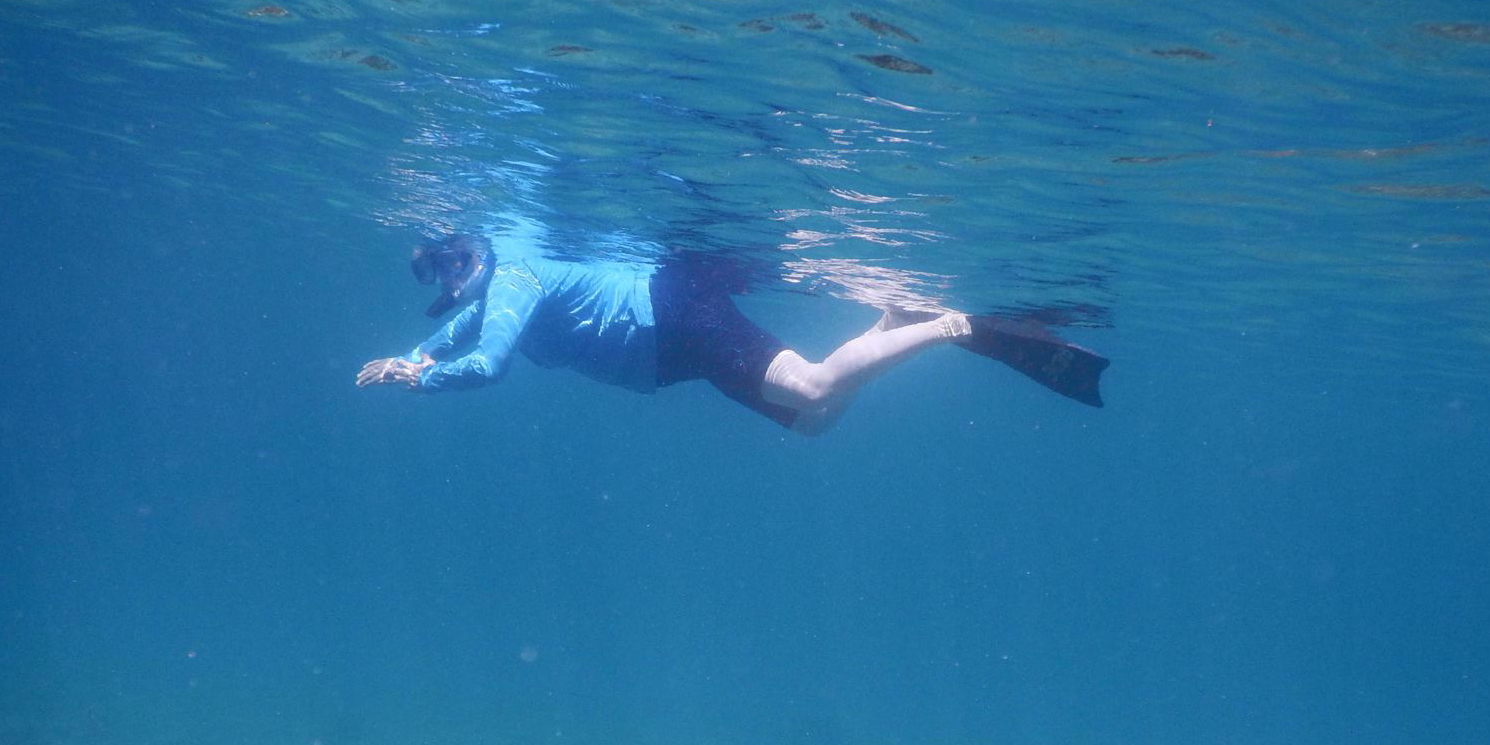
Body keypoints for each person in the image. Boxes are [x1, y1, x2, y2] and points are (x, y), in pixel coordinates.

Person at [356, 233, 1103, 433]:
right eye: (447, 274)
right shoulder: (490, 295)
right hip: (668, 351)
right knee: (812, 426)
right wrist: (414, 354)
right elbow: (464, 328)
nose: (459, 280)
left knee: (813, 387)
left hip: (672, 315)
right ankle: (890, 325)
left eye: (460, 262)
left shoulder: (514, 278)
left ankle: (949, 324)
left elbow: (486, 364)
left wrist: (418, 376)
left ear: (482, 254)